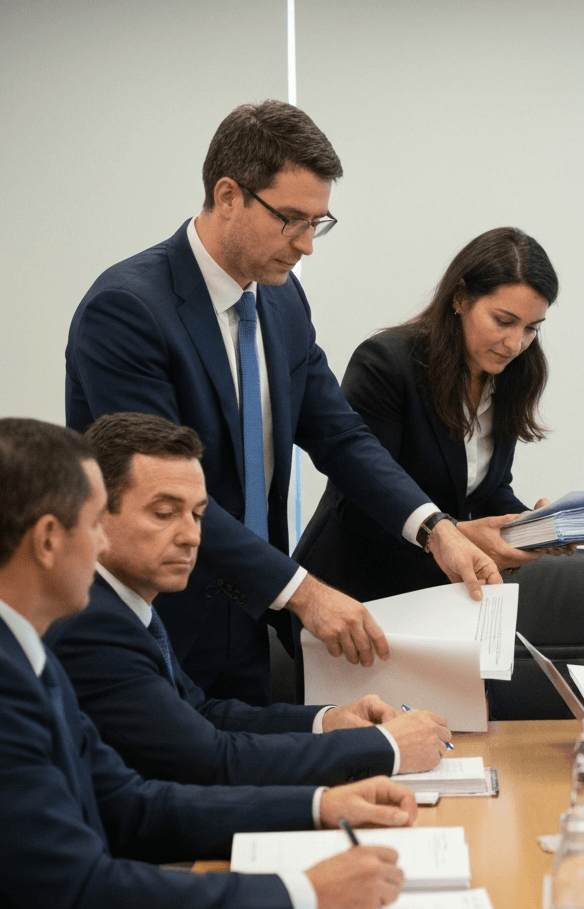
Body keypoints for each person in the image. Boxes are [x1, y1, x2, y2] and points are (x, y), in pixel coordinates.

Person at [65, 100, 500, 707]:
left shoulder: (281, 299)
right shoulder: (128, 310)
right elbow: (160, 494)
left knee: (256, 759)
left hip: (245, 616)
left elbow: (338, 434)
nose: (307, 246)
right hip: (156, 616)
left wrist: (435, 529)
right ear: (227, 196)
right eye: (291, 220)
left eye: (318, 222)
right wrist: (303, 592)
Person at [0, 418, 418, 909]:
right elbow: (81, 896)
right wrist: (304, 893)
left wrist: (318, 806)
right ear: (46, 540)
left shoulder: (28, 656)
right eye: (92, 525)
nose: (99, 547)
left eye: (196, 515)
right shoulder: (22, 670)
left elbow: (132, 805)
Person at [46, 412, 451, 787]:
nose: (191, 536)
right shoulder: (92, 623)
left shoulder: (129, 610)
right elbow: (210, 759)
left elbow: (202, 715)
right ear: (95, 514)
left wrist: (328, 721)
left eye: (197, 515)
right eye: (164, 513)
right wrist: (384, 747)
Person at [295, 226, 570, 602]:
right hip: (350, 588)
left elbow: (485, 490)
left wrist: (530, 528)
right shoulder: (387, 364)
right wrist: (449, 532)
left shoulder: (511, 375)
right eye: (504, 321)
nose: (515, 343)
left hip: (431, 594)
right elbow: (359, 498)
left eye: (532, 328)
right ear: (460, 297)